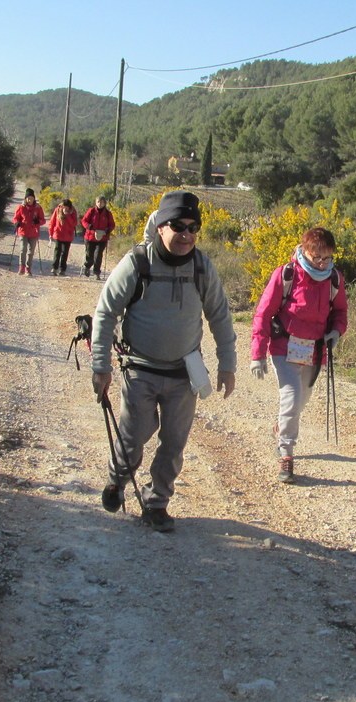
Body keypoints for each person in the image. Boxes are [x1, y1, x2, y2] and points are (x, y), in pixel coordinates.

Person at [90, 191, 237, 532]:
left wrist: (227, 363)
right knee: (135, 434)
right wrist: (102, 366)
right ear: (160, 226)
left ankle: (157, 502)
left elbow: (220, 316)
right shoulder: (137, 263)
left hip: (183, 373)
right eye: (177, 226)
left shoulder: (201, 266)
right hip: (140, 369)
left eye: (193, 227)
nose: (186, 234)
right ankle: (118, 478)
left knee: (173, 443)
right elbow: (106, 312)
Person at [250, 227, 348, 483]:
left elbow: (340, 313)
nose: (322, 263)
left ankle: (281, 428)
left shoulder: (334, 279)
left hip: (314, 352)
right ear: (304, 251)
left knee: (301, 400)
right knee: (292, 400)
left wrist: (336, 332)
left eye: (327, 257)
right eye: (317, 257)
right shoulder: (287, 274)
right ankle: (286, 453)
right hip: (284, 348)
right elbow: (263, 313)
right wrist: (257, 355)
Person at [12, 188, 45, 276]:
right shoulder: (21, 207)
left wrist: (38, 221)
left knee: (31, 252)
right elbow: (15, 218)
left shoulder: (38, 208)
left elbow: (43, 220)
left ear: (34, 198)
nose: (30, 200)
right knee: (23, 249)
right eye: (28, 198)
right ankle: (21, 268)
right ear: (25, 198)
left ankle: (28, 268)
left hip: (34, 232)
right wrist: (17, 223)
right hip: (23, 231)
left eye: (31, 198)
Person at [81, 196, 116, 279]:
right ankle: (87, 266)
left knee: (98, 255)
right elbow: (83, 221)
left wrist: (108, 230)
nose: (100, 204)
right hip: (90, 237)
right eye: (98, 202)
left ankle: (97, 272)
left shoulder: (108, 213)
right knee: (89, 254)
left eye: (102, 202)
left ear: (104, 203)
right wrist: (89, 226)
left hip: (102, 238)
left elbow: (112, 224)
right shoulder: (91, 211)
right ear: (96, 203)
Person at [48, 198, 78, 275]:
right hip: (58, 234)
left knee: (65, 253)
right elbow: (52, 221)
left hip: (68, 235)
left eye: (67, 207)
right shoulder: (57, 210)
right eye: (64, 206)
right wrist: (50, 233)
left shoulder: (73, 212)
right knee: (57, 251)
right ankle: (54, 268)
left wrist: (68, 216)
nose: (65, 208)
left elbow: (74, 223)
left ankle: (62, 269)